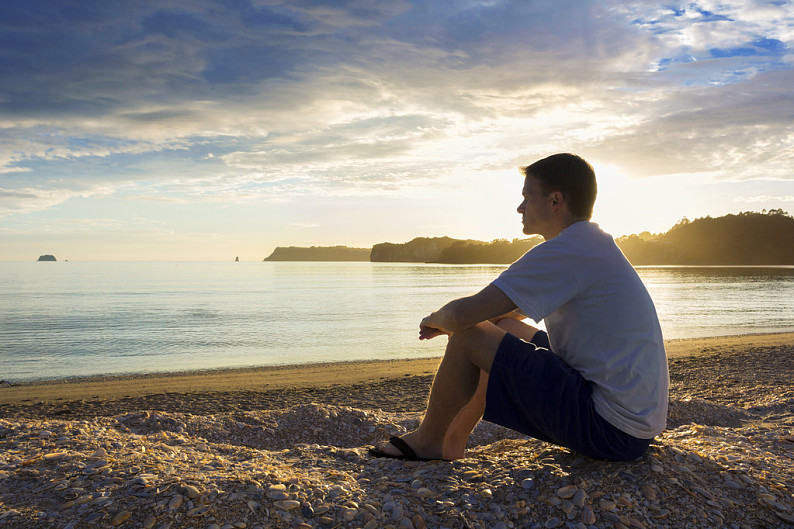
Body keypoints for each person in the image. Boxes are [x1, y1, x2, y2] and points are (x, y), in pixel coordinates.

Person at [369, 153, 668, 462]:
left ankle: (429, 441)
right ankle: (452, 440)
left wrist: (437, 320)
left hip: (609, 429)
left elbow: (463, 316)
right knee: (503, 328)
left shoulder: (566, 251)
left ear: (555, 200)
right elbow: (506, 314)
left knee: (468, 335)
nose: (520, 207)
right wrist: (470, 321)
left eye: (527, 196)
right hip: (633, 424)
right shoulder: (590, 244)